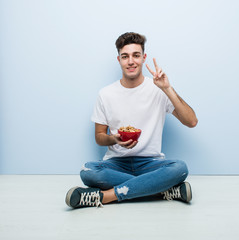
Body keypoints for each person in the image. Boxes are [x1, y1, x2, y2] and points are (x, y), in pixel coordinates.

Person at [65, 32, 198, 208]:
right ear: (118, 59)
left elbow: (191, 121)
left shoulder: (158, 89)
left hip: (151, 163)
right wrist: (114, 139)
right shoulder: (106, 94)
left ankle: (105, 197)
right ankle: (161, 190)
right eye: (125, 56)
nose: (131, 61)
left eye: (136, 55)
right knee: (88, 171)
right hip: (116, 164)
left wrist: (168, 88)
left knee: (179, 168)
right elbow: (99, 137)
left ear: (143, 58)